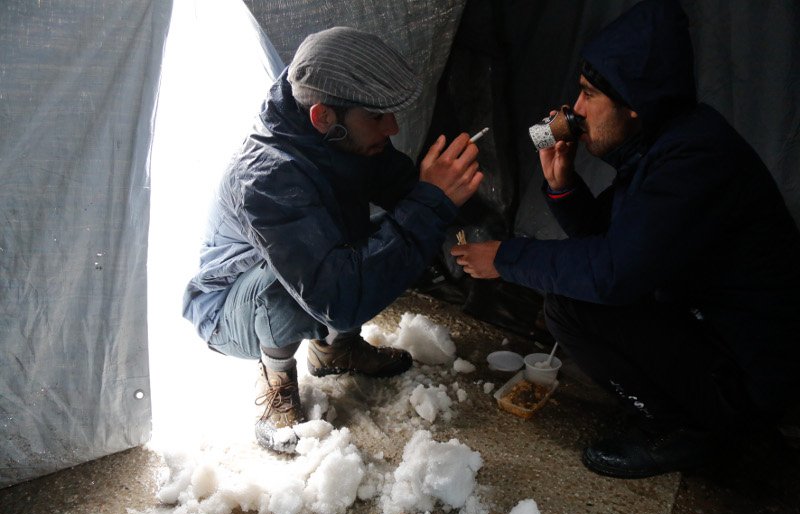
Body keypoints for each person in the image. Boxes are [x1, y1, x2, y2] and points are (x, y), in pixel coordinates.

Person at [452, 0, 800, 478]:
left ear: (634, 104)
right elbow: (618, 242)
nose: (575, 110)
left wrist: (505, 258)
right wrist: (562, 185)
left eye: (589, 94)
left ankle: (693, 431)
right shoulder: (665, 144)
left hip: (750, 374)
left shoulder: (692, 162)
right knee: (577, 295)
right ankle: (686, 404)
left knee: (570, 308)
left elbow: (614, 273)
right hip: (712, 331)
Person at [183, 27, 483, 453]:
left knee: (371, 232)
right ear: (323, 116)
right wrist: (428, 205)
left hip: (306, 278)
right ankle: (277, 379)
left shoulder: (336, 132)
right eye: (377, 117)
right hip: (230, 308)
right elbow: (337, 297)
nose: (393, 127)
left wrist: (445, 188)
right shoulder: (268, 176)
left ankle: (334, 351)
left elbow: (401, 191)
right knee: (298, 281)